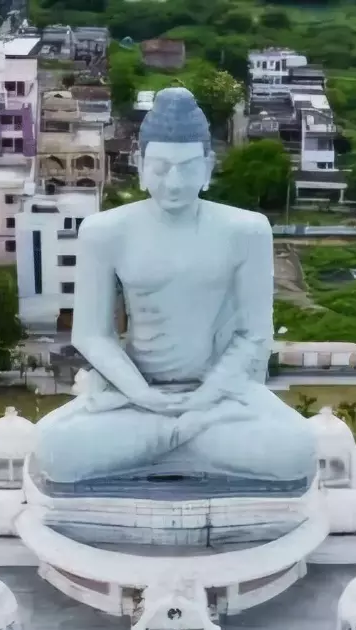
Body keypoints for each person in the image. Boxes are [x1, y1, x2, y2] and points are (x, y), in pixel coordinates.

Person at [31, 87, 316, 491]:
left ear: (208, 167)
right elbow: (91, 334)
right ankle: (184, 439)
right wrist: (145, 396)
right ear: (141, 165)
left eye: (187, 167)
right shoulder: (105, 232)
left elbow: (255, 334)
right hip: (135, 399)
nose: (175, 182)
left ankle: (168, 441)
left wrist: (203, 399)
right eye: (162, 168)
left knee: (297, 449)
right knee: (54, 448)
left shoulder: (246, 230)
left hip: (217, 398)